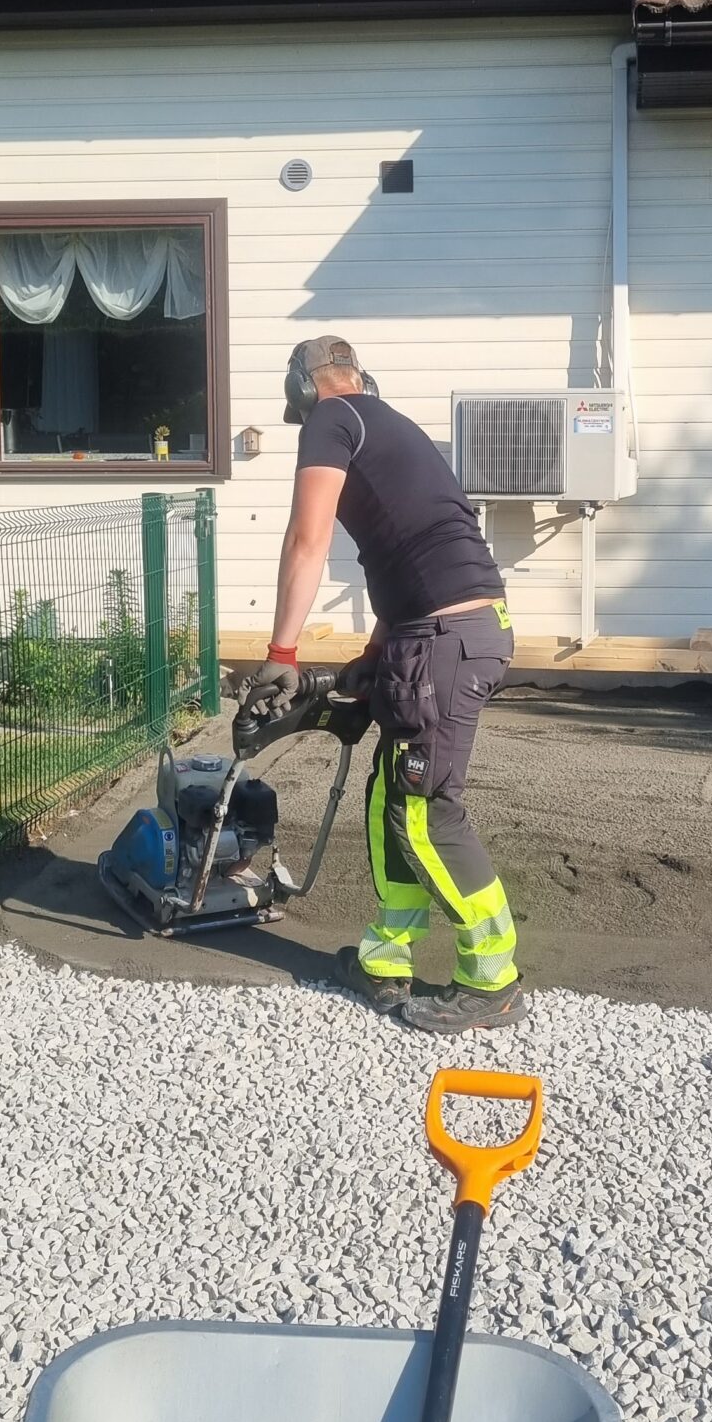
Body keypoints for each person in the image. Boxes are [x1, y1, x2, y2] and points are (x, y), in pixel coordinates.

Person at [245, 334, 524, 1031]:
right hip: (438, 632)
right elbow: (411, 551)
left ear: (305, 386)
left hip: (445, 641)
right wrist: (375, 654)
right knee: (389, 798)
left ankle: (493, 980)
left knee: (426, 812)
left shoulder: (330, 419)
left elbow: (306, 538)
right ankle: (385, 958)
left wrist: (282, 651)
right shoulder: (390, 424)